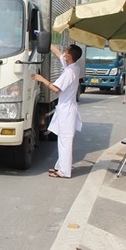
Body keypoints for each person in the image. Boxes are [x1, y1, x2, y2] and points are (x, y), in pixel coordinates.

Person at [32, 43, 83, 178]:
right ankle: (60, 167)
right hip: (66, 109)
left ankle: (64, 171)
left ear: (69, 56)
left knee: (65, 141)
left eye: (66, 52)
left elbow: (56, 89)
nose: (63, 53)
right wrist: (47, 41)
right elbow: (58, 53)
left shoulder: (69, 72)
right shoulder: (73, 67)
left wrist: (41, 79)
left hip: (67, 111)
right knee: (62, 140)